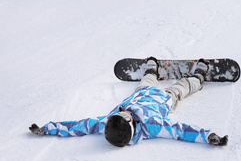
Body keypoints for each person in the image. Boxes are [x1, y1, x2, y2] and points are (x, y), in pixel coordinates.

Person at [29, 58, 228, 147]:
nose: (126, 113)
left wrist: (47, 128)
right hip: (166, 98)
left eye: (120, 114)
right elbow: (182, 130)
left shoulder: (105, 122)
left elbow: (77, 126)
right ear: (132, 125)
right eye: (126, 116)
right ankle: (199, 76)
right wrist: (209, 136)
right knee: (182, 87)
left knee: (146, 81)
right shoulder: (153, 126)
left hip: (142, 92)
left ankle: (152, 70)